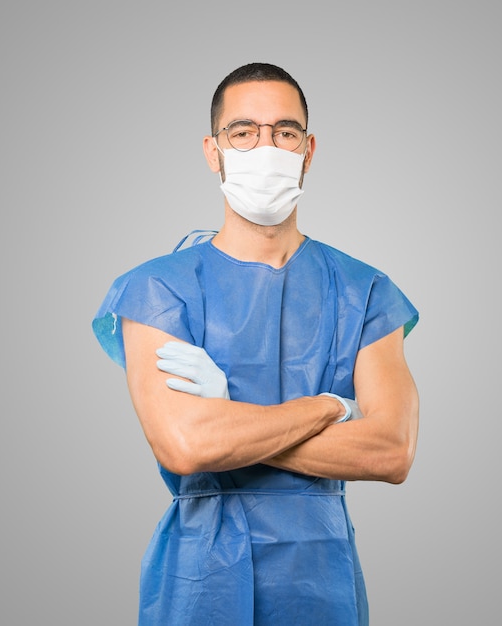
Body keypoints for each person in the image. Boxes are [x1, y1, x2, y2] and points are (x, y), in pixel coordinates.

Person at [92, 62, 419, 626]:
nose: (265, 147)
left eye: (284, 133)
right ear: (212, 150)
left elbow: (391, 451)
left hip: (322, 576)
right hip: (200, 576)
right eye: (243, 132)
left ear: (308, 150)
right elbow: (185, 448)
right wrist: (328, 408)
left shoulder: (364, 290)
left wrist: (226, 422)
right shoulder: (157, 289)